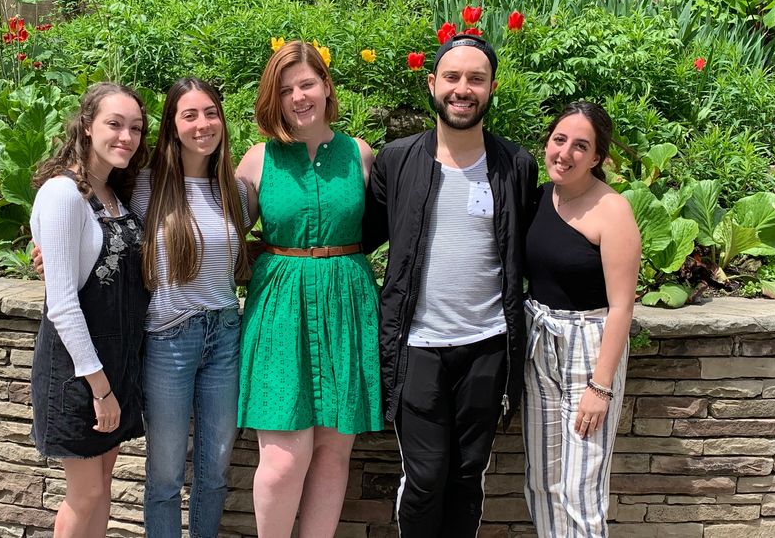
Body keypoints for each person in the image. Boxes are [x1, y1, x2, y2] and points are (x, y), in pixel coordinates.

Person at [362, 34, 539, 538]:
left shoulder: (515, 165)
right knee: (424, 476)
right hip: (417, 346)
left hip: (487, 345)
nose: (464, 89)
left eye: (476, 79)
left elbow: (535, 243)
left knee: (467, 476)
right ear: (433, 83)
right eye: (454, 77)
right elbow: (360, 238)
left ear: (492, 89)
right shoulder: (396, 161)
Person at [234, 40, 383, 537]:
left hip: (346, 305)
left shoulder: (360, 154)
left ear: (325, 87)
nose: (298, 97)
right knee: (282, 459)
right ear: (271, 100)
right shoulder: (258, 161)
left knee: (332, 453)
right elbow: (212, 230)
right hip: (279, 311)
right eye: (285, 90)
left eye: (307, 84)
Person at [28, 82, 151, 538]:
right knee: (85, 495)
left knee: (102, 486)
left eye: (135, 128)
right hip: (78, 372)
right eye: (114, 124)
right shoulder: (64, 194)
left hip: (117, 365)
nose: (126, 137)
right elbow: (62, 303)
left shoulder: (115, 193)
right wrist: (100, 388)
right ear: (86, 126)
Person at [130, 78, 250, 538]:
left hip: (224, 337)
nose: (203, 124)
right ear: (172, 127)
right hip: (168, 340)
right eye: (190, 115)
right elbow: (92, 218)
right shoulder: (146, 188)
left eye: (211, 113)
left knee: (215, 471)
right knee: (164, 475)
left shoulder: (234, 191)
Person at [522, 102, 640, 537]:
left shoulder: (612, 211)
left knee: (580, 488)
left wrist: (600, 386)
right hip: (539, 342)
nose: (565, 152)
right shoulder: (539, 197)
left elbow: (622, 306)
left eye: (580, 146)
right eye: (559, 140)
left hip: (588, 348)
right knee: (543, 481)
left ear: (596, 158)